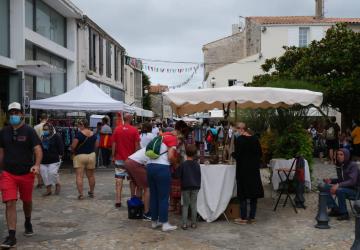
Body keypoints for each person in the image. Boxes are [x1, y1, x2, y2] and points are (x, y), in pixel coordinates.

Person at [0, 102, 43, 248]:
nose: (13, 116)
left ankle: (27, 220)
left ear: (21, 115)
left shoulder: (29, 131)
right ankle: (11, 236)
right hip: (8, 173)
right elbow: (1, 152)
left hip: (26, 173)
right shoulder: (3, 132)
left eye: (16, 113)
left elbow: (38, 150)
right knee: (10, 202)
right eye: (11, 113)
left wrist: (36, 165)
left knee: (27, 201)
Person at [232, 122, 264, 225]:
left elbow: (237, 155)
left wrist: (232, 153)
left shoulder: (239, 140)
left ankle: (243, 217)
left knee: (243, 194)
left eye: (236, 129)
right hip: (253, 170)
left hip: (242, 170)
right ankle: (252, 217)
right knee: (253, 193)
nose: (236, 131)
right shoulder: (255, 139)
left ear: (241, 129)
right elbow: (260, 154)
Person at [146, 130, 178, 231]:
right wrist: (175, 163)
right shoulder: (172, 139)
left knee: (154, 195)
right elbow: (170, 156)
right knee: (164, 197)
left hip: (150, 166)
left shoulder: (159, 137)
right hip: (162, 168)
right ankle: (164, 223)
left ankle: (154, 221)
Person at [112, 114, 140, 208]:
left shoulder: (117, 129)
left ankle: (118, 200)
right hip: (131, 159)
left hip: (119, 158)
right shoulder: (134, 130)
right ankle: (132, 198)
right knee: (132, 180)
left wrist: (113, 156)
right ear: (131, 119)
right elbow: (137, 145)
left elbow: (114, 144)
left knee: (119, 180)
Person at [324, 148, 359, 220]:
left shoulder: (353, 165)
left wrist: (338, 185)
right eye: (337, 154)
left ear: (346, 155)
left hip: (356, 191)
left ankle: (344, 213)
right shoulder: (340, 166)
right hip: (346, 188)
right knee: (325, 187)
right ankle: (334, 209)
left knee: (340, 190)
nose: (338, 156)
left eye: (341, 154)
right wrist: (331, 181)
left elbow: (352, 181)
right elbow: (342, 180)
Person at [174, 144, 201, 230]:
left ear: (185, 153)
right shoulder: (197, 164)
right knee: (193, 205)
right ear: (195, 154)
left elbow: (177, 175)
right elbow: (199, 175)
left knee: (185, 205)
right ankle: (193, 223)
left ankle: (184, 224)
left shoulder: (183, 164)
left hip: (185, 186)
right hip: (195, 186)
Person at [71, 119, 98, 200]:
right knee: (91, 176)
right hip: (91, 156)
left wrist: (72, 151)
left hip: (80, 156)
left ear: (82, 125)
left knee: (79, 176)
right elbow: (97, 145)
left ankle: (81, 194)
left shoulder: (79, 134)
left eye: (79, 125)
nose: (78, 127)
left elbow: (73, 146)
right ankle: (91, 192)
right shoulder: (93, 134)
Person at [124, 147, 151, 220]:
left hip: (128, 161)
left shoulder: (150, 146)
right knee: (147, 188)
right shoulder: (157, 148)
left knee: (139, 186)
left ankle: (137, 208)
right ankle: (147, 213)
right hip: (135, 163)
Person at [40, 123, 64, 196]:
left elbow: (61, 147)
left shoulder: (56, 136)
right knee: (44, 175)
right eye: (44, 129)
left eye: (46, 129)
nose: (45, 131)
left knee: (52, 173)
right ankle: (48, 190)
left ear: (50, 129)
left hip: (54, 159)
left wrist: (60, 155)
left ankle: (57, 183)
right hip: (43, 160)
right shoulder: (42, 137)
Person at [34, 113, 50, 189]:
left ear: (40, 119)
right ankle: (47, 180)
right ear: (47, 118)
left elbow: (33, 137)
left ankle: (40, 182)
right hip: (48, 147)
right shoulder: (50, 126)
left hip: (38, 146)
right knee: (47, 164)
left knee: (38, 164)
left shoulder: (36, 127)